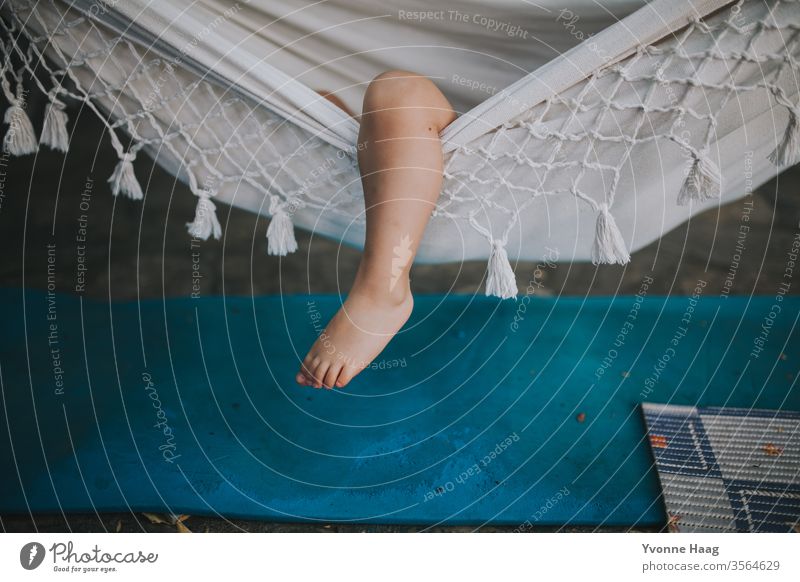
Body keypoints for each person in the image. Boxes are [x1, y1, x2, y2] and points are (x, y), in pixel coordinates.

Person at [296, 71, 456, 389]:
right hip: (409, 131)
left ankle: (384, 290)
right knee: (310, 103)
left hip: (500, 119)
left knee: (400, 91)